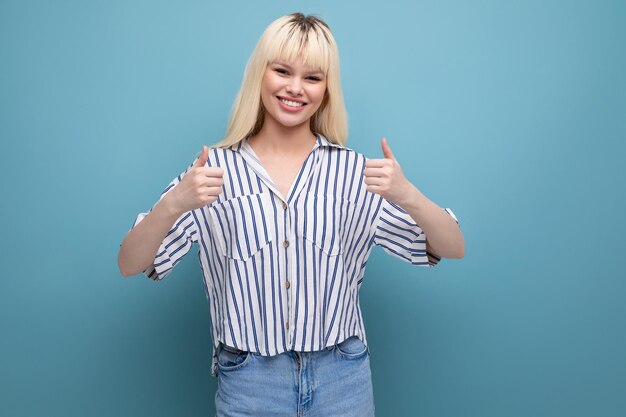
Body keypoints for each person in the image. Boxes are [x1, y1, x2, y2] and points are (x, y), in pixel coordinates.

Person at [118, 12, 464, 417]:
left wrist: (408, 195)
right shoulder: (210, 173)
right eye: (282, 70)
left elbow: (452, 246)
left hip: (342, 378)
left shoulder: (354, 173)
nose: (295, 88)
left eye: (313, 78)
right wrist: (174, 202)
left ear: (327, 89)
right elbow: (130, 263)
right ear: (260, 75)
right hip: (249, 381)